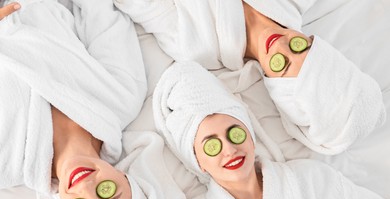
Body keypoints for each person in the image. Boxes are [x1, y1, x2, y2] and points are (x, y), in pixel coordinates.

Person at [1, 1, 183, 199]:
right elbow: (98, 11)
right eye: (106, 192)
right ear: (126, 179)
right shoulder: (122, 96)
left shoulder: (6, 163)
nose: (85, 187)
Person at [153, 61, 390, 199]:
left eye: (235, 133)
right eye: (211, 146)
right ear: (198, 162)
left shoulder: (311, 178)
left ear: (251, 136)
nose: (229, 149)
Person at [115, 0, 385, 156]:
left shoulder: (194, 45)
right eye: (301, 47)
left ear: (281, 89)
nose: (280, 45)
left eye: (283, 65)